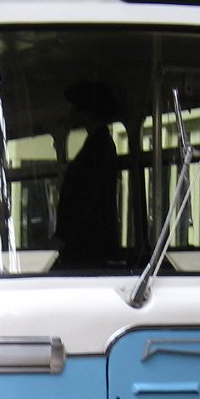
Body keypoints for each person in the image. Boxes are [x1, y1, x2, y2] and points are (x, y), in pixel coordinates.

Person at [57, 81, 120, 268]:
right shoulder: (98, 144)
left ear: (87, 112)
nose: (70, 114)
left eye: (75, 108)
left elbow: (86, 197)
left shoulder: (98, 148)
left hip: (87, 248)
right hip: (88, 246)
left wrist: (63, 236)